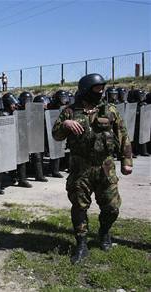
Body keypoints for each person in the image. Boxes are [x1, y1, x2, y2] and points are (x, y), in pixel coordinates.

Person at [52, 73, 133, 264]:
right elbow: (56, 135)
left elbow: (122, 135)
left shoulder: (110, 110)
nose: (101, 93)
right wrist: (65, 124)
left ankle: (104, 232)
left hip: (105, 167)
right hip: (80, 169)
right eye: (97, 90)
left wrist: (127, 161)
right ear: (86, 91)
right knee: (79, 207)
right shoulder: (70, 111)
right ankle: (81, 244)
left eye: (102, 89)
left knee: (112, 208)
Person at [2, 93, 32, 188]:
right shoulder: (3, 114)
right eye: (12, 104)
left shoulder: (17, 112)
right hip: (7, 141)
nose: (14, 105)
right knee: (9, 161)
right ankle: (11, 177)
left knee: (22, 160)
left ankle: (22, 179)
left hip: (18, 138)